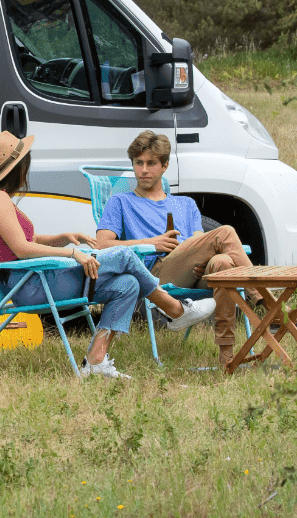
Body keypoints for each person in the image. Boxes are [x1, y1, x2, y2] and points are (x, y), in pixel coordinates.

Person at [0, 130, 215, 379]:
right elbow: (21, 249)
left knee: (128, 284)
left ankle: (95, 362)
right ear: (17, 167)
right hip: (29, 285)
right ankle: (174, 310)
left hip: (34, 279)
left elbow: (28, 240)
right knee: (122, 255)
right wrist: (72, 253)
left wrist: (63, 236)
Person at [93, 130, 262, 369]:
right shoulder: (120, 202)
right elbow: (101, 245)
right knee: (225, 232)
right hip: (157, 274)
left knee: (222, 264)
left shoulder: (185, 204)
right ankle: (263, 297)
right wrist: (153, 243)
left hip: (195, 270)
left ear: (164, 166)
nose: (143, 170)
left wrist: (204, 256)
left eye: (151, 163)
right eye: (138, 163)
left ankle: (227, 357)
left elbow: (199, 240)